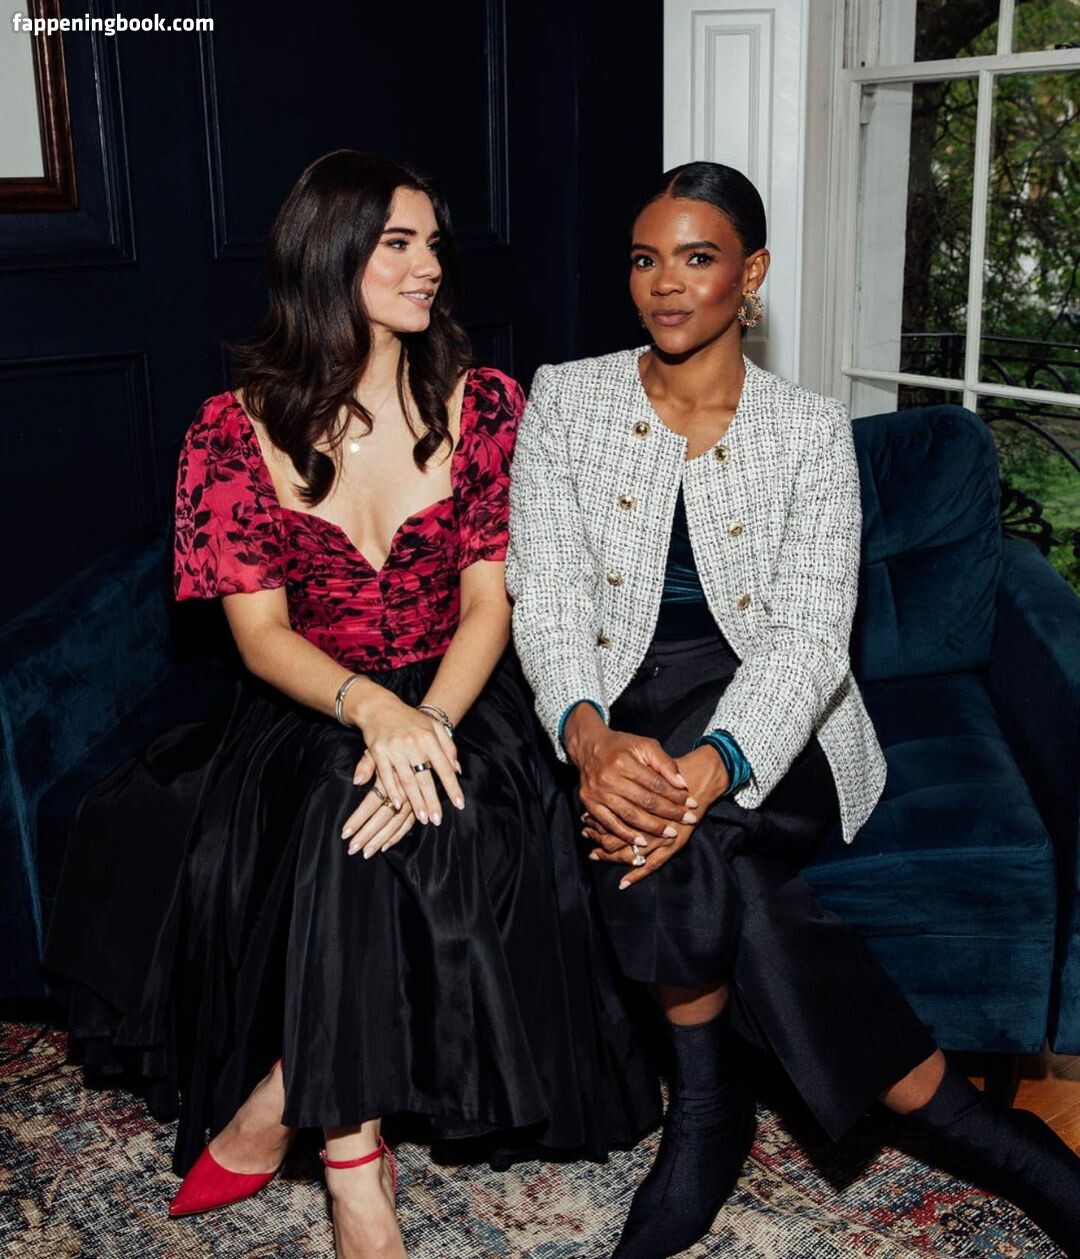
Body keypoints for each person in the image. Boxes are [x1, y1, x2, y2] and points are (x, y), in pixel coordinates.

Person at [43, 150, 657, 1259]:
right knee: (345, 801)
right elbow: (260, 637)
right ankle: (354, 1164)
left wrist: (430, 723)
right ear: (329, 255)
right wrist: (374, 711)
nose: (431, 267)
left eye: (434, 244)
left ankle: (288, 1098)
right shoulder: (229, 430)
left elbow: (490, 606)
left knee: (403, 809)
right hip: (312, 696)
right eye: (399, 244)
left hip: (463, 686)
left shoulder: (485, 403)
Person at [506, 159, 1080, 1259]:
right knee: (717, 874)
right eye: (645, 259)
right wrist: (588, 735)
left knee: (670, 832)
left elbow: (812, 638)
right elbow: (551, 589)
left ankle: (708, 1111)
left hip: (777, 718)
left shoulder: (809, 430)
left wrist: (711, 766)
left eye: (698, 257)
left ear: (752, 273)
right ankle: (975, 1134)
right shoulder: (567, 398)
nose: (665, 283)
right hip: (619, 704)